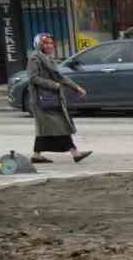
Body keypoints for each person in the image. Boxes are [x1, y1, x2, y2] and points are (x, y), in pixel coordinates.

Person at [26, 33, 92, 164]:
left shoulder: (47, 58)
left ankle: (36, 155)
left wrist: (76, 87)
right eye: (46, 43)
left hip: (50, 98)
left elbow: (60, 76)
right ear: (39, 44)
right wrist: (53, 85)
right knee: (59, 125)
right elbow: (33, 78)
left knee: (46, 128)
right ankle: (75, 153)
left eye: (51, 43)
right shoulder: (35, 58)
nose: (50, 46)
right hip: (41, 99)